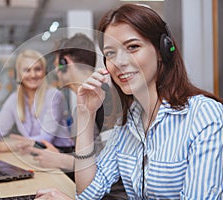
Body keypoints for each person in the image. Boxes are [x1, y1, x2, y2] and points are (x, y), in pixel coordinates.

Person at [35, 3, 223, 200]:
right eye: (110, 53)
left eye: (133, 47)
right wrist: (86, 114)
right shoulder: (127, 124)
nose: (120, 62)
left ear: (162, 50)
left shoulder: (205, 116)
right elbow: (88, 193)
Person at [29, 33, 127, 199]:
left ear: (64, 63)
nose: (56, 74)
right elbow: (91, 154)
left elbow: (109, 166)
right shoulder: (83, 105)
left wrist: (61, 160)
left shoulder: (107, 99)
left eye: (56, 66)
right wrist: (60, 154)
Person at [0, 49, 73, 154]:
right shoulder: (14, 99)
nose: (33, 75)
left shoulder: (54, 96)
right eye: (27, 70)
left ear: (44, 72)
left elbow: (44, 139)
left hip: (61, 155)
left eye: (37, 69)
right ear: (18, 74)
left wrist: (1, 147)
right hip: (34, 155)